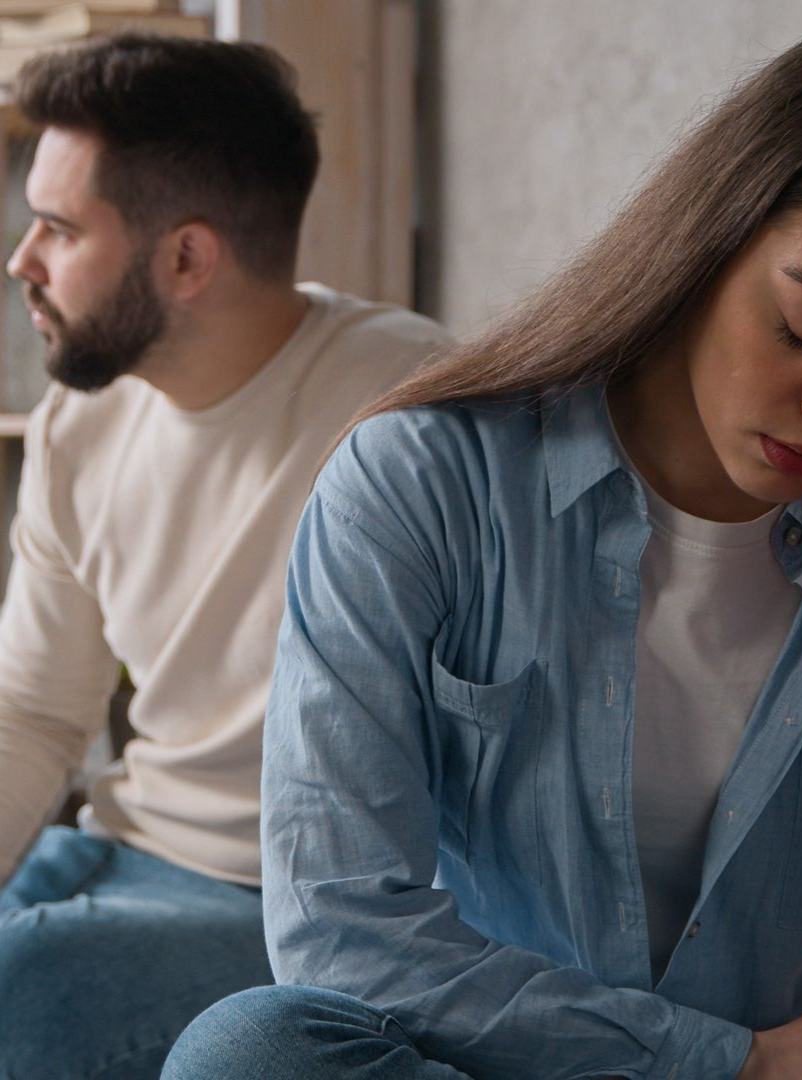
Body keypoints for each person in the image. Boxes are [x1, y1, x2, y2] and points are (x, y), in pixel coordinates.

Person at [165, 20, 802, 1080]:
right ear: (704, 246)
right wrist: (738, 1064)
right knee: (250, 1053)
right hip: (530, 1063)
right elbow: (339, 934)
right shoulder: (424, 481)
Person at [0, 32, 448, 1080]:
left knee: (21, 981)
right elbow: (33, 712)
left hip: (305, 904)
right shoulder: (79, 425)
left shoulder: (418, 409)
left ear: (187, 259)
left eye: (59, 228)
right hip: (122, 851)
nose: (22, 260)